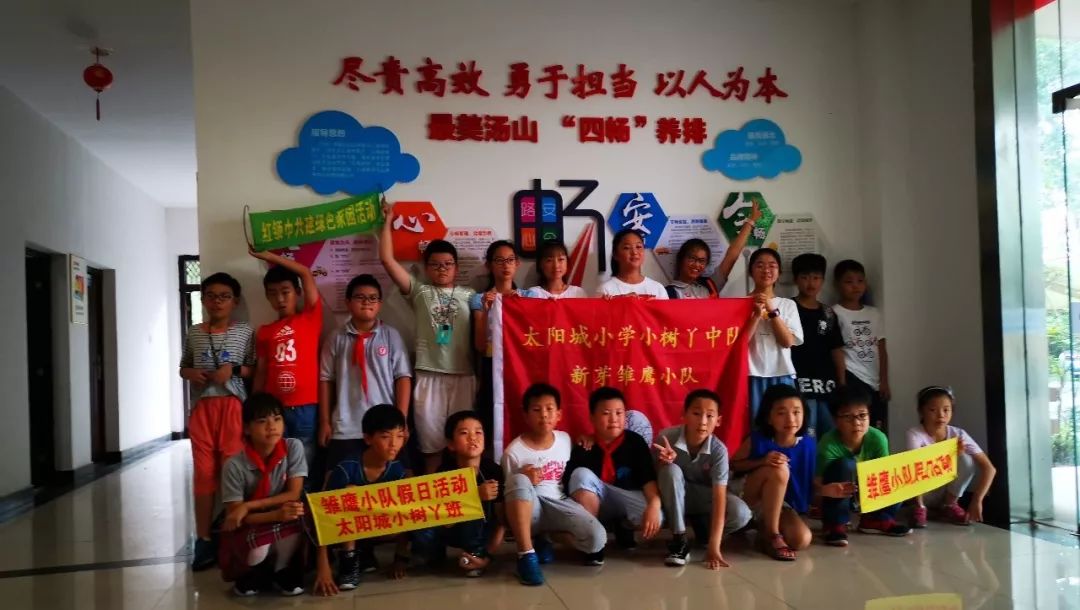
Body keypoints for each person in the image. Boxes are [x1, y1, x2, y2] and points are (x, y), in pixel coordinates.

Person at [379, 200, 476, 474]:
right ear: (426, 267)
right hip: (428, 375)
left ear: (456, 267)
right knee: (431, 449)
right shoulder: (420, 292)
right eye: (435, 264)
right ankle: (434, 496)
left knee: (465, 447)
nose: (442, 269)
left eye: (448, 264)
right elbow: (387, 261)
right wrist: (387, 222)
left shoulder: (471, 296)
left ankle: (465, 497)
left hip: (464, 375)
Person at [179, 272, 256, 571]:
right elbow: (183, 366)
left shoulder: (245, 331)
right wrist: (190, 373)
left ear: (235, 301)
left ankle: (231, 535)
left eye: (224, 296)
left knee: (231, 472)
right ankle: (203, 538)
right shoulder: (194, 332)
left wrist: (232, 370)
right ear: (203, 300)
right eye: (211, 296)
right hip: (202, 409)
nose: (217, 301)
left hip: (233, 407)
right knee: (203, 474)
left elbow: (252, 368)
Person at [501, 383, 607, 586]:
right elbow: (509, 494)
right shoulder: (513, 452)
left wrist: (587, 439)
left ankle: (547, 537)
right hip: (531, 508)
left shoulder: (565, 439)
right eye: (536, 409)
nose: (544, 415)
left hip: (559, 504)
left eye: (549, 409)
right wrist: (523, 477)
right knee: (518, 480)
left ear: (559, 414)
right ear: (525, 415)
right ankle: (526, 555)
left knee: (597, 540)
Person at [318, 274, 412, 478]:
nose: (366, 302)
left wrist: (401, 421)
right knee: (336, 481)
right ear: (348, 302)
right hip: (345, 425)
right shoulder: (335, 338)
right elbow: (326, 379)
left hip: (386, 428)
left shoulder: (391, 335)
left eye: (372, 298)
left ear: (380, 304)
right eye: (360, 297)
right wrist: (324, 421)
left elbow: (403, 377)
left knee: (402, 481)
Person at [314, 405, 410, 596]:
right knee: (350, 493)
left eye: (399, 436)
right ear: (368, 438)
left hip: (377, 527)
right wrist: (323, 567)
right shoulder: (346, 468)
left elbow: (409, 515)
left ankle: (365, 552)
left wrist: (400, 559)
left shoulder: (397, 470)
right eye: (385, 436)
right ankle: (348, 561)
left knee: (406, 501)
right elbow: (322, 516)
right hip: (341, 531)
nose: (394, 444)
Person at [219, 393, 307, 597]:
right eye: (262, 421)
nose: (271, 426)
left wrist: (248, 506)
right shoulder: (234, 465)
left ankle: (281, 569)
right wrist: (272, 515)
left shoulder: (293, 447)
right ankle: (254, 571)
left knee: (299, 514)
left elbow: (294, 492)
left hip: (280, 514)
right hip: (253, 523)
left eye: (277, 419)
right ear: (247, 428)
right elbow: (236, 516)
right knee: (257, 549)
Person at [653, 389, 752, 570]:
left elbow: (719, 497)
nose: (703, 421)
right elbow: (653, 478)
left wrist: (714, 546)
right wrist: (663, 463)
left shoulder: (719, 450)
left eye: (710, 416)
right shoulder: (666, 438)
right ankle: (679, 539)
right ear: (684, 415)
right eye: (696, 413)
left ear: (718, 421)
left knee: (741, 513)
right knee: (670, 471)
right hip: (671, 499)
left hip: (703, 498)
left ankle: (704, 531)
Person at [249, 248, 323, 485]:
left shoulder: (310, 318)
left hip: (305, 407)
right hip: (274, 410)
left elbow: (305, 273)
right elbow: (261, 370)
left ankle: (303, 503)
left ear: (298, 292)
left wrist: (270, 257)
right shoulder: (265, 331)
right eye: (273, 294)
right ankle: (283, 504)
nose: (280, 299)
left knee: (305, 461)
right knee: (278, 463)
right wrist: (253, 406)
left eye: (285, 292)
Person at [566, 387, 663, 552]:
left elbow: (648, 480)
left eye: (619, 413)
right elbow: (573, 487)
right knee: (580, 474)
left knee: (657, 516)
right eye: (606, 413)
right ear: (592, 418)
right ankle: (592, 537)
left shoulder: (635, 442)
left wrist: (654, 505)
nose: (614, 419)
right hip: (596, 501)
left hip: (625, 498)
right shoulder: (585, 446)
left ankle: (623, 525)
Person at [414, 411, 505, 577]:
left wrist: (489, 556)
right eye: (464, 433)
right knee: (420, 525)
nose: (473, 438)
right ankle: (435, 552)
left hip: (482, 531)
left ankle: (476, 554)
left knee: (479, 503)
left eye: (478, 432)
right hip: (450, 527)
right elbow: (438, 516)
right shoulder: (444, 471)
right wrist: (473, 495)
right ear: (451, 444)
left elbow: (502, 521)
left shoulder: (493, 470)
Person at [816, 385, 911, 547]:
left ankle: (876, 519)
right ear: (835, 420)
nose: (856, 423)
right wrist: (826, 491)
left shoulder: (878, 438)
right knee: (844, 465)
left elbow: (884, 475)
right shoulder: (828, 443)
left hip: (868, 488)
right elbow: (817, 484)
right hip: (839, 492)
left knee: (898, 470)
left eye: (862, 415)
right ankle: (835, 524)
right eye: (848, 417)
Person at [730, 385, 814, 562]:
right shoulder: (757, 439)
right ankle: (772, 534)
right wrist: (762, 462)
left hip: (780, 502)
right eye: (782, 413)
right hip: (749, 494)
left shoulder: (808, 444)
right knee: (779, 468)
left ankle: (761, 528)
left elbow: (808, 480)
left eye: (796, 412)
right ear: (769, 417)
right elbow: (733, 465)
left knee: (801, 539)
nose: (790, 419)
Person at [906, 385, 997, 527]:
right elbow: (914, 467)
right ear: (921, 411)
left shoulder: (958, 434)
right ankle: (919, 507)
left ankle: (949, 505)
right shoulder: (915, 434)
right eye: (933, 410)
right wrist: (950, 456)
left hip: (946, 490)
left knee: (966, 460)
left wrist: (977, 500)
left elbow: (989, 468)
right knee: (913, 464)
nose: (941, 415)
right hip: (924, 492)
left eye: (946, 410)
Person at [471, 240, 527, 448]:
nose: (506, 265)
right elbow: (479, 345)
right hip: (492, 364)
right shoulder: (480, 299)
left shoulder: (529, 296)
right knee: (491, 416)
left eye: (510, 260)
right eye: (499, 260)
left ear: (517, 264)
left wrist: (521, 306)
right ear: (489, 265)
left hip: (521, 366)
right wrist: (487, 310)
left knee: (521, 413)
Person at [742, 248, 803, 419]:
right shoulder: (739, 303)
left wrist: (771, 309)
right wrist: (755, 316)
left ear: (779, 272)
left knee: (784, 424)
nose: (766, 270)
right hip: (751, 374)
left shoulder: (788, 305)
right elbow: (740, 344)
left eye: (772, 265)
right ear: (750, 271)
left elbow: (787, 342)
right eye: (760, 265)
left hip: (782, 373)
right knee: (755, 424)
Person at [789, 253, 844, 438]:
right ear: (796, 279)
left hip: (827, 384)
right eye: (804, 277)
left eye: (816, 277)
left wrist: (842, 381)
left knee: (831, 433)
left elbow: (836, 349)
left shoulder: (828, 313)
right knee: (807, 432)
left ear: (822, 280)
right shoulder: (789, 308)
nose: (810, 283)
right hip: (799, 382)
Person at [833, 259, 891, 432]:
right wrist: (842, 382)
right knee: (855, 425)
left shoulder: (873, 313)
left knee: (877, 426)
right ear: (838, 284)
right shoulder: (834, 312)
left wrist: (884, 380)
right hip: (853, 376)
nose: (855, 286)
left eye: (860, 281)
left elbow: (881, 347)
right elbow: (836, 349)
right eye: (849, 281)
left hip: (875, 380)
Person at [663, 200, 762, 299]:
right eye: (692, 259)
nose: (697, 264)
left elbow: (732, 255)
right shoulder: (667, 293)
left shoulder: (710, 284)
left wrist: (751, 221)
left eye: (702, 261)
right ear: (681, 259)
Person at [597, 229, 669, 299]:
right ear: (615, 254)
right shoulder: (605, 290)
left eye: (638, 247)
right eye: (627, 248)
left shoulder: (658, 288)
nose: (634, 252)